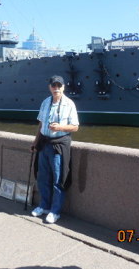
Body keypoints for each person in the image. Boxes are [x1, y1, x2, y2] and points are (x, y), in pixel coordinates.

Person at [30, 75, 79, 224]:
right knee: (43, 177)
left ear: (63, 87)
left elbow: (75, 127)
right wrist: (35, 141)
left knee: (58, 180)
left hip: (59, 146)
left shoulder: (69, 104)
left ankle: (55, 211)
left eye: (59, 85)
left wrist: (60, 127)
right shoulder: (45, 102)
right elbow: (41, 124)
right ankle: (44, 206)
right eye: (53, 85)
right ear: (50, 87)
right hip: (44, 144)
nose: (56, 88)